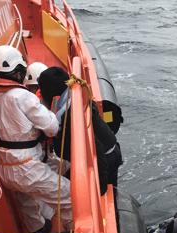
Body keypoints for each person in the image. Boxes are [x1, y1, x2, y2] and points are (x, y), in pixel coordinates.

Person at [0, 45, 72, 233]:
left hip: (6, 169)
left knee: (27, 204)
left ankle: (38, 232)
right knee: (69, 196)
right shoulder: (22, 96)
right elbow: (52, 127)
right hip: (27, 168)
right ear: (19, 71)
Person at [37, 67, 123, 195]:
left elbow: (96, 148)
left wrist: (100, 188)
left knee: (104, 194)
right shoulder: (76, 97)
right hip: (108, 150)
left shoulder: (71, 114)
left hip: (106, 158)